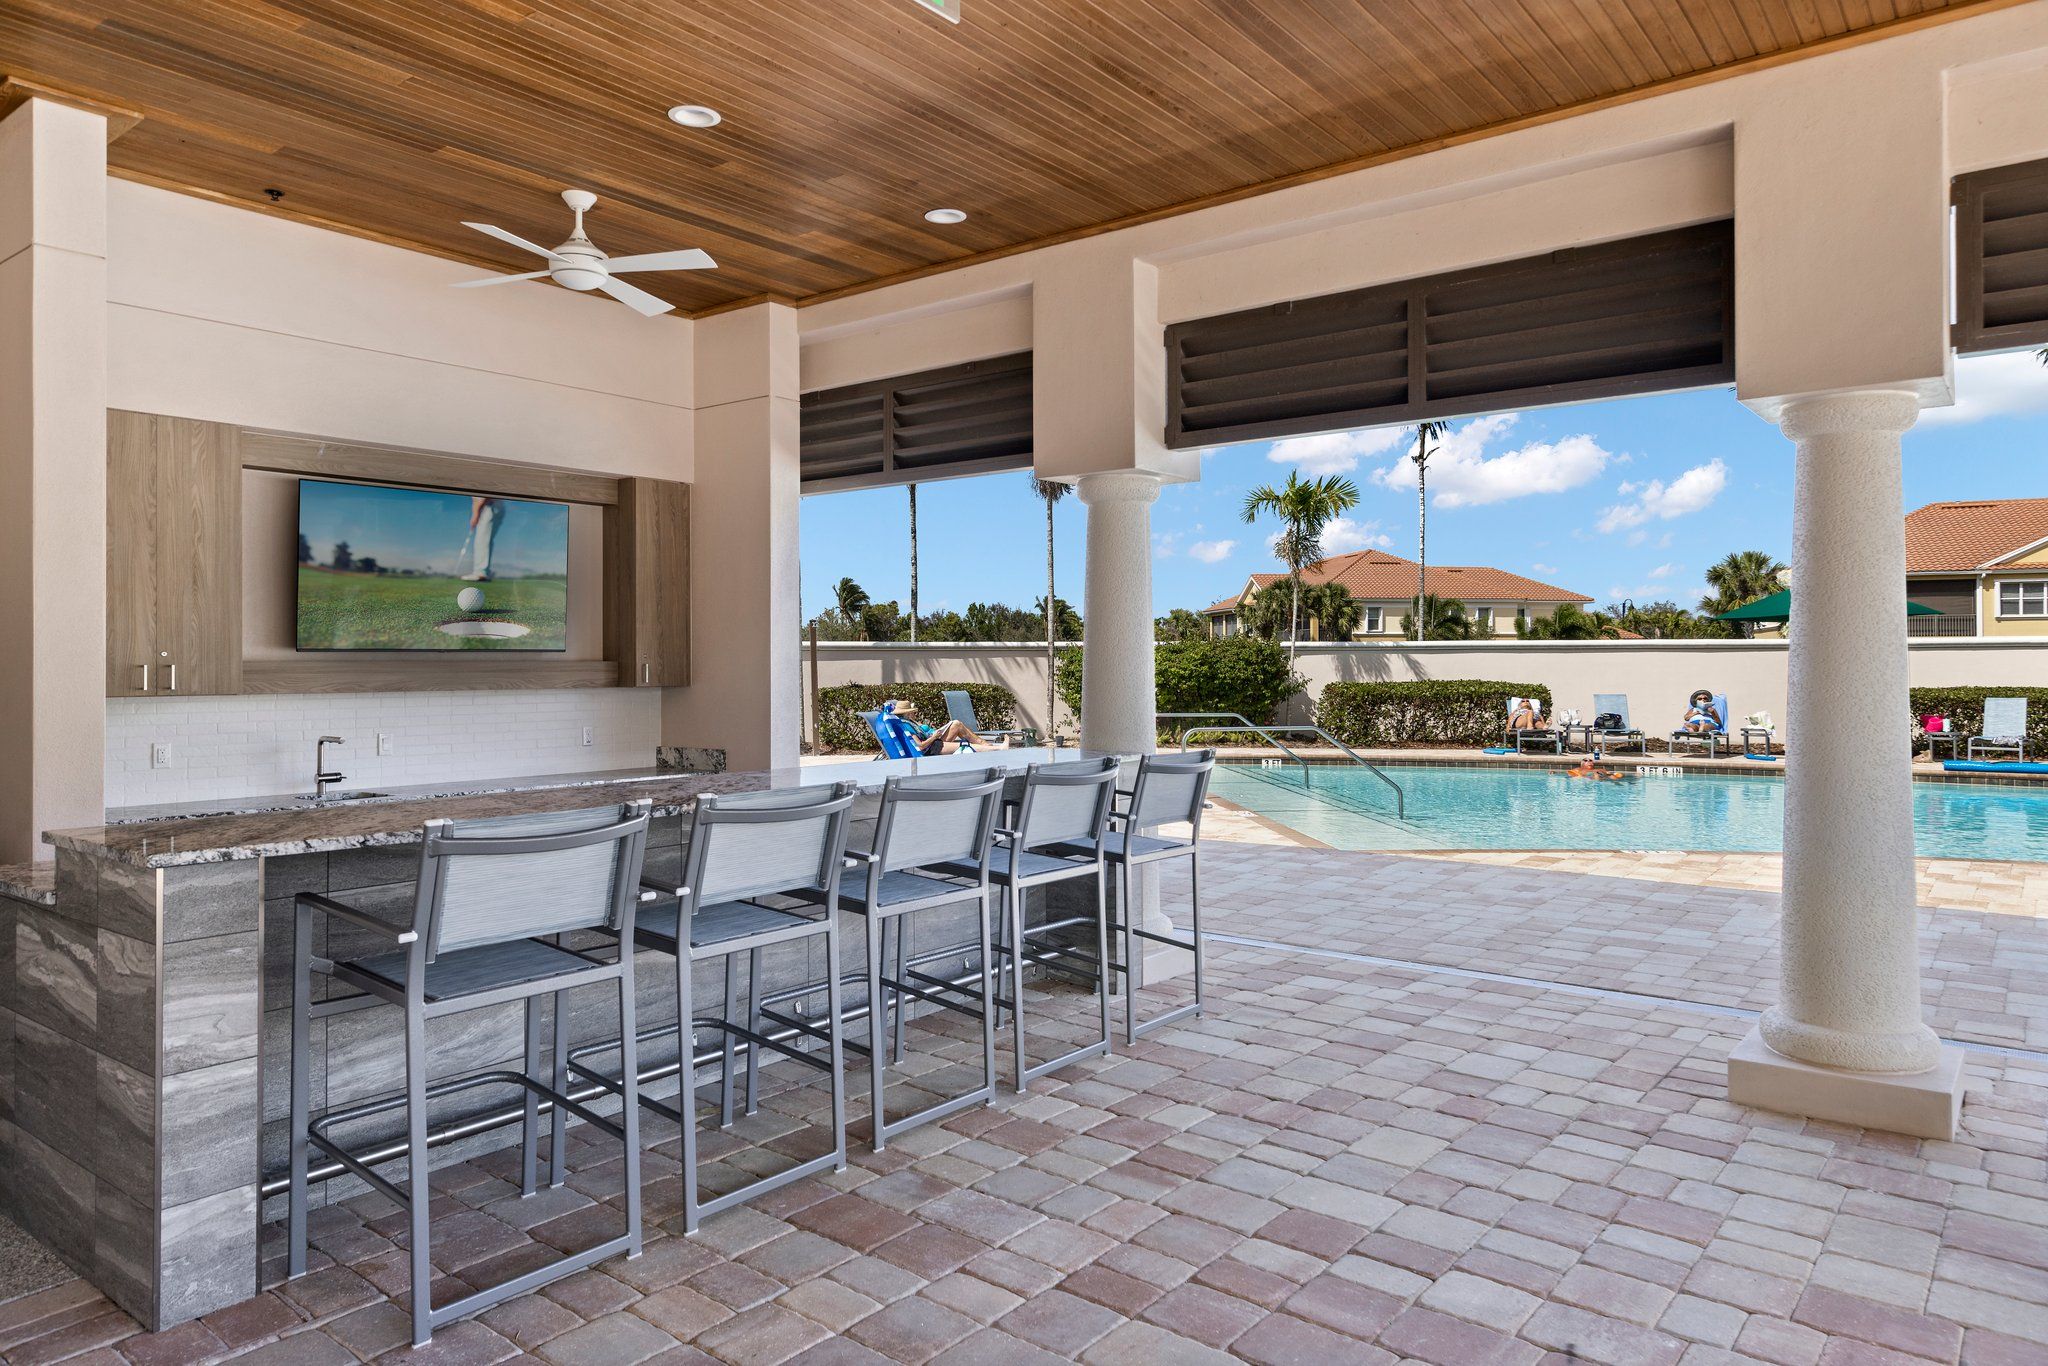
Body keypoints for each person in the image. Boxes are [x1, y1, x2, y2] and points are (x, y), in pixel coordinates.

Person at [885, 701, 1006, 756]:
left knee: (957, 725)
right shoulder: (906, 725)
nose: (914, 713)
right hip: (932, 748)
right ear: (907, 713)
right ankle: (998, 749)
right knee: (966, 746)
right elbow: (920, 746)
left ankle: (990, 747)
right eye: (912, 712)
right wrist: (934, 737)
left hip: (934, 744)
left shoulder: (908, 722)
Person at [461, 496, 505, 582]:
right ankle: (482, 572)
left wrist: (475, 513)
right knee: (482, 540)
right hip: (490, 506)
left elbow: (482, 497)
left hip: (489, 506)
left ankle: (481, 573)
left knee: (483, 541)